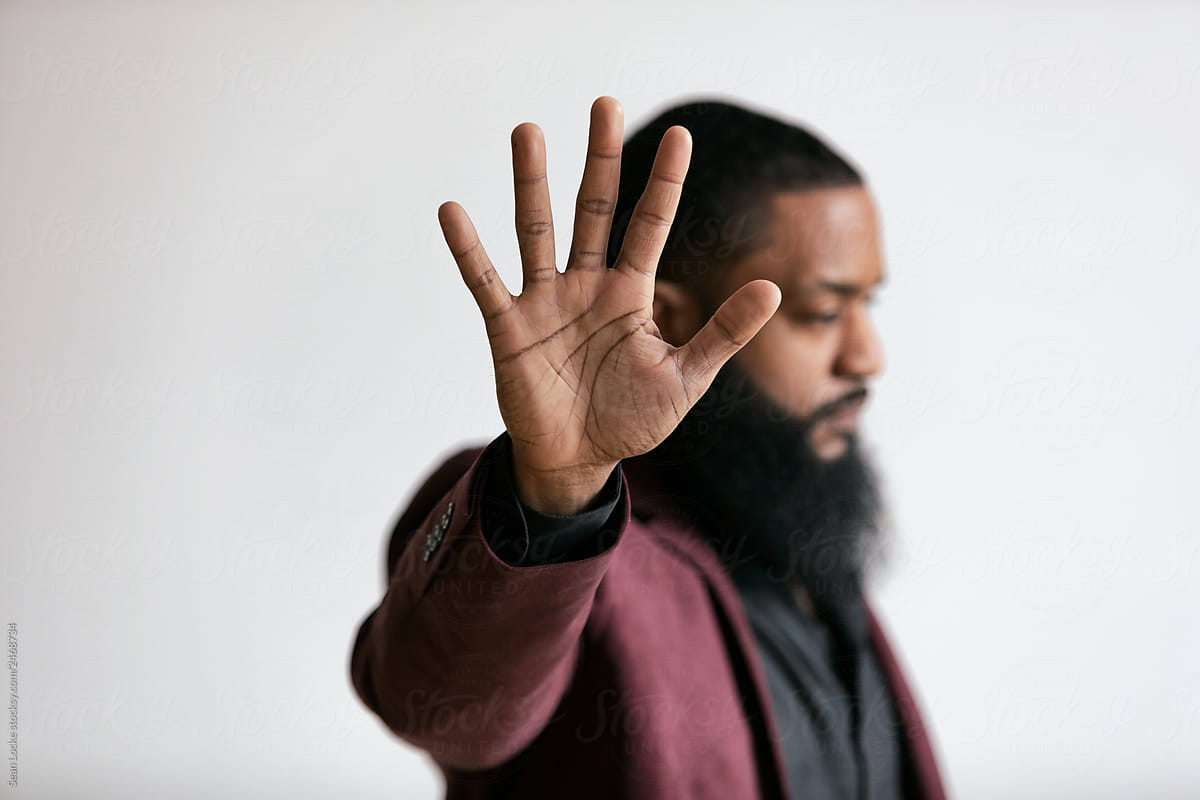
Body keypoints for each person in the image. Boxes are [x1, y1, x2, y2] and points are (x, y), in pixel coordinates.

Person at [348, 95, 947, 799]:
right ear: (667, 317)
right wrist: (557, 488)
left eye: (867, 304)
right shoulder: (537, 525)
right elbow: (445, 711)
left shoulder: (794, 521)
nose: (867, 356)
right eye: (822, 312)